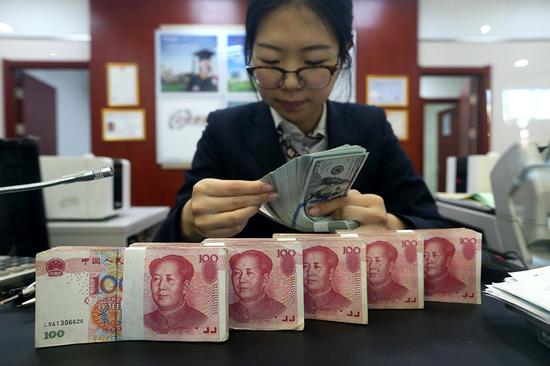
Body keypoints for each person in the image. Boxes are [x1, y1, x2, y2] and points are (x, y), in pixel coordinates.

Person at [154, 0, 449, 243]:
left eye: (313, 64)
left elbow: (433, 224)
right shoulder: (224, 129)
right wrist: (191, 221)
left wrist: (389, 225)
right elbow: (167, 237)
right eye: (270, 62)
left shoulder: (370, 126)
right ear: (250, 54)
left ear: (343, 58)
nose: (292, 83)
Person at [144, 255, 207, 333]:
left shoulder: (201, 321)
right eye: (156, 279)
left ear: (185, 287)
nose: (161, 286)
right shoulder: (144, 322)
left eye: (169, 279)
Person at [229, 249, 286, 322]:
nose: (242, 280)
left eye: (249, 273)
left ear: (265, 279)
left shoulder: (281, 311)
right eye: (237, 273)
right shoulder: (226, 312)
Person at [303, 246, 351, 313]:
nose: (309, 272)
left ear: (331, 273)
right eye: (305, 266)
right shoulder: (294, 305)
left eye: (317, 267)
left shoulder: (347, 305)